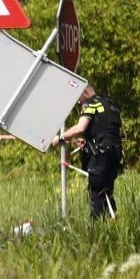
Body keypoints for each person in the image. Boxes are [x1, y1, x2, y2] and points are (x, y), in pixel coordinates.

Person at [60, 83, 123, 218]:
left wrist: (61, 137)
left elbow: (80, 127)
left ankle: (98, 226)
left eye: (79, 98)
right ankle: (112, 223)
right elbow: (104, 129)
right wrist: (86, 140)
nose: (78, 102)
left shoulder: (90, 103)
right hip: (115, 153)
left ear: (85, 93)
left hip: (101, 154)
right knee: (107, 192)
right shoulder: (110, 104)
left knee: (96, 193)